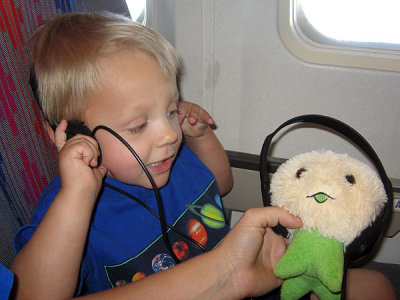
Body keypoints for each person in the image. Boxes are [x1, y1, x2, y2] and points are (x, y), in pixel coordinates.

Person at [10, 12, 396, 300]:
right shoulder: (68, 210)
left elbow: (222, 184)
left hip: (245, 281)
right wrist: (77, 196)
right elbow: (32, 293)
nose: (168, 134)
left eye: (171, 110)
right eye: (138, 125)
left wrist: (202, 138)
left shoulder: (168, 161)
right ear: (72, 134)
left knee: (376, 287)